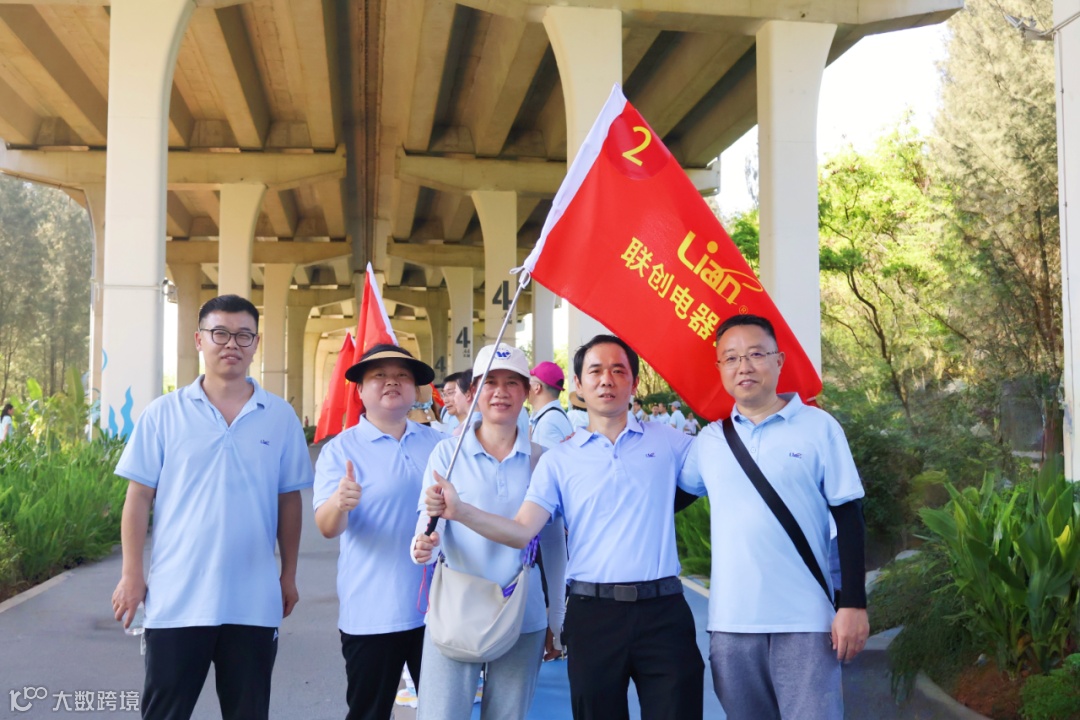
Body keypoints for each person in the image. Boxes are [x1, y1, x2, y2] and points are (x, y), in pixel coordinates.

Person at [423, 334, 704, 720]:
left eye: (618, 370)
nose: (606, 380)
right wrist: (460, 512)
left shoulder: (671, 443)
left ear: (634, 383)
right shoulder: (558, 460)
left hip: (664, 610)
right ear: (578, 385)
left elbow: (721, 469)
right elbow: (524, 531)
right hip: (593, 614)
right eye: (595, 371)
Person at [110, 294, 313, 720]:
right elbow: (138, 497)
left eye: (244, 335)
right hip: (177, 600)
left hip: (253, 601)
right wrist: (131, 574)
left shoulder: (280, 417)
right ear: (199, 339)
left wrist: (289, 574)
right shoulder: (163, 414)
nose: (232, 344)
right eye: (220, 333)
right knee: (165, 712)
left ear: (256, 344)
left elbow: (288, 500)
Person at [679, 314, 868, 720]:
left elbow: (849, 516)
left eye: (756, 354)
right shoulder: (710, 440)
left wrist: (853, 604)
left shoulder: (819, 427)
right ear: (720, 368)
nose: (744, 366)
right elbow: (665, 499)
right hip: (731, 625)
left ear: (779, 361)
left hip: (806, 621)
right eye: (731, 358)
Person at [411, 343, 567, 720]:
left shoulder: (542, 460)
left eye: (512, 382)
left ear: (527, 391)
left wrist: (556, 619)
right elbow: (428, 527)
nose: (500, 392)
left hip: (522, 614)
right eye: (490, 382)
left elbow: (553, 546)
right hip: (455, 610)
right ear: (473, 393)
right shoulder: (447, 455)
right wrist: (423, 546)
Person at [313, 343, 444, 720]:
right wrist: (340, 502)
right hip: (372, 612)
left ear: (415, 389)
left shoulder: (440, 445)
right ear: (360, 389)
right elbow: (327, 527)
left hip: (438, 610)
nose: (392, 382)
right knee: (369, 713)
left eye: (402, 375)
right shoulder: (341, 450)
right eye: (379, 376)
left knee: (443, 712)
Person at [528, 360, 573, 449]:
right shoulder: (554, 416)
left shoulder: (547, 423)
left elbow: (552, 458)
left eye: (529, 382)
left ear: (537, 387)